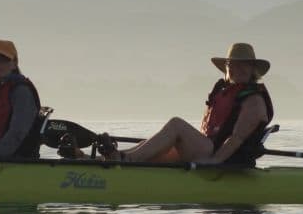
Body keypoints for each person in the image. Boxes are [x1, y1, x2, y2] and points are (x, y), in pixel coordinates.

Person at [101, 43, 274, 166]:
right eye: (235, 64)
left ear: (253, 70)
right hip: (206, 148)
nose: (241, 69)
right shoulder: (225, 91)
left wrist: (214, 161)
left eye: (246, 65)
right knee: (152, 146)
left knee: (176, 125)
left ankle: (125, 161)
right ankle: (106, 158)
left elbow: (237, 138)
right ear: (227, 68)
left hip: (217, 155)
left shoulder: (254, 100)